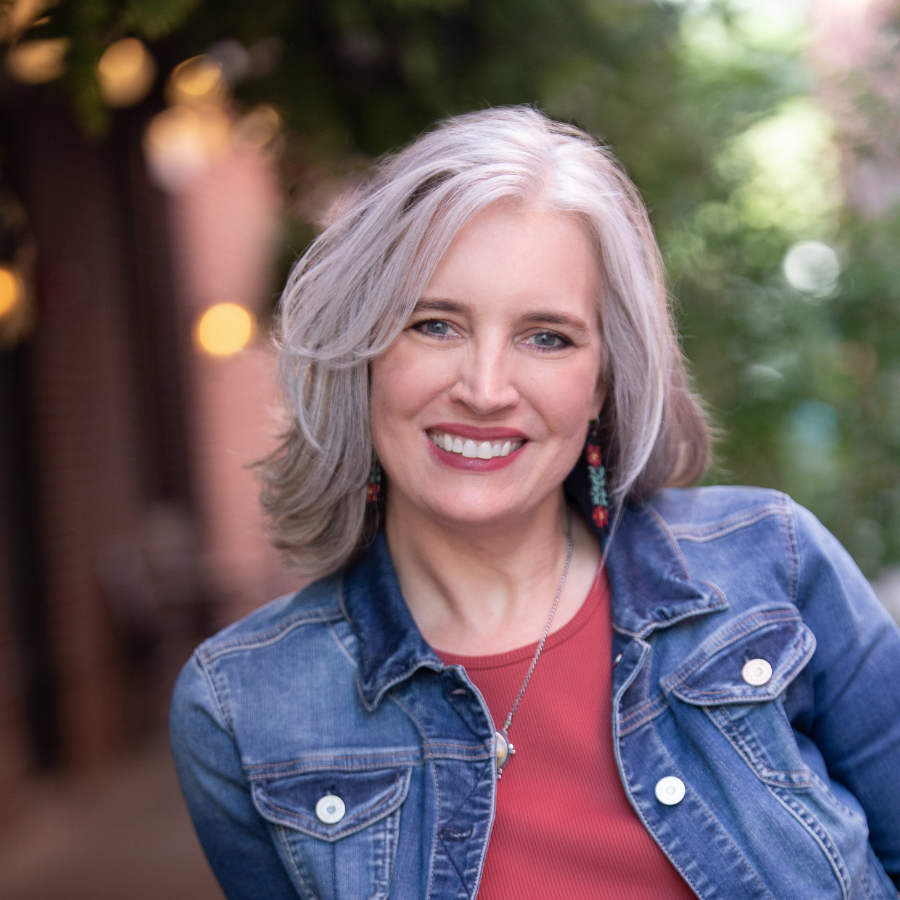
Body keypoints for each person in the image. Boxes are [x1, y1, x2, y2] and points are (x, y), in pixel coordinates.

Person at [169, 107, 900, 900]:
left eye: (546, 336)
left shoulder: (774, 566)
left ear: (603, 383)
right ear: (364, 355)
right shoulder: (245, 708)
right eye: (435, 324)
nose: (485, 390)